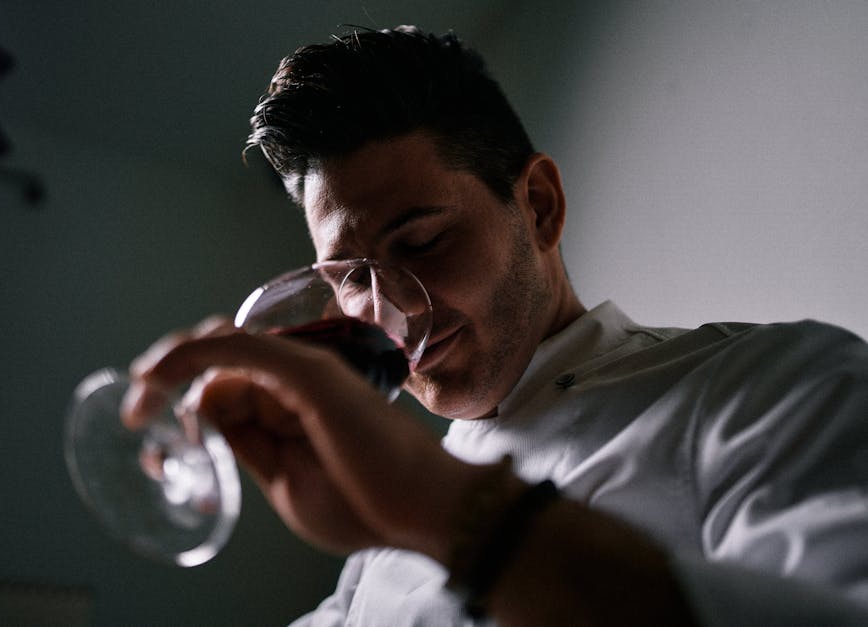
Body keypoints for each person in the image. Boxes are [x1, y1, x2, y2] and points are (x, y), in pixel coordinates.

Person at [123, 26, 868, 625]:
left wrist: (450, 512)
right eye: (351, 278)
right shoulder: (377, 538)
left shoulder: (776, 385)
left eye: (422, 243)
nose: (394, 309)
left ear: (539, 206)